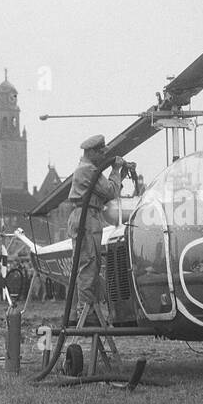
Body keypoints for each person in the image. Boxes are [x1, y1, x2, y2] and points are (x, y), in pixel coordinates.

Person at [66, 134, 123, 324]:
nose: (102, 155)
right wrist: (116, 170)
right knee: (88, 263)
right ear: (91, 152)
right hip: (87, 218)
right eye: (100, 151)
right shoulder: (88, 170)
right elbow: (111, 192)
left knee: (87, 263)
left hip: (89, 216)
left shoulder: (88, 169)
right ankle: (85, 310)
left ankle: (77, 312)